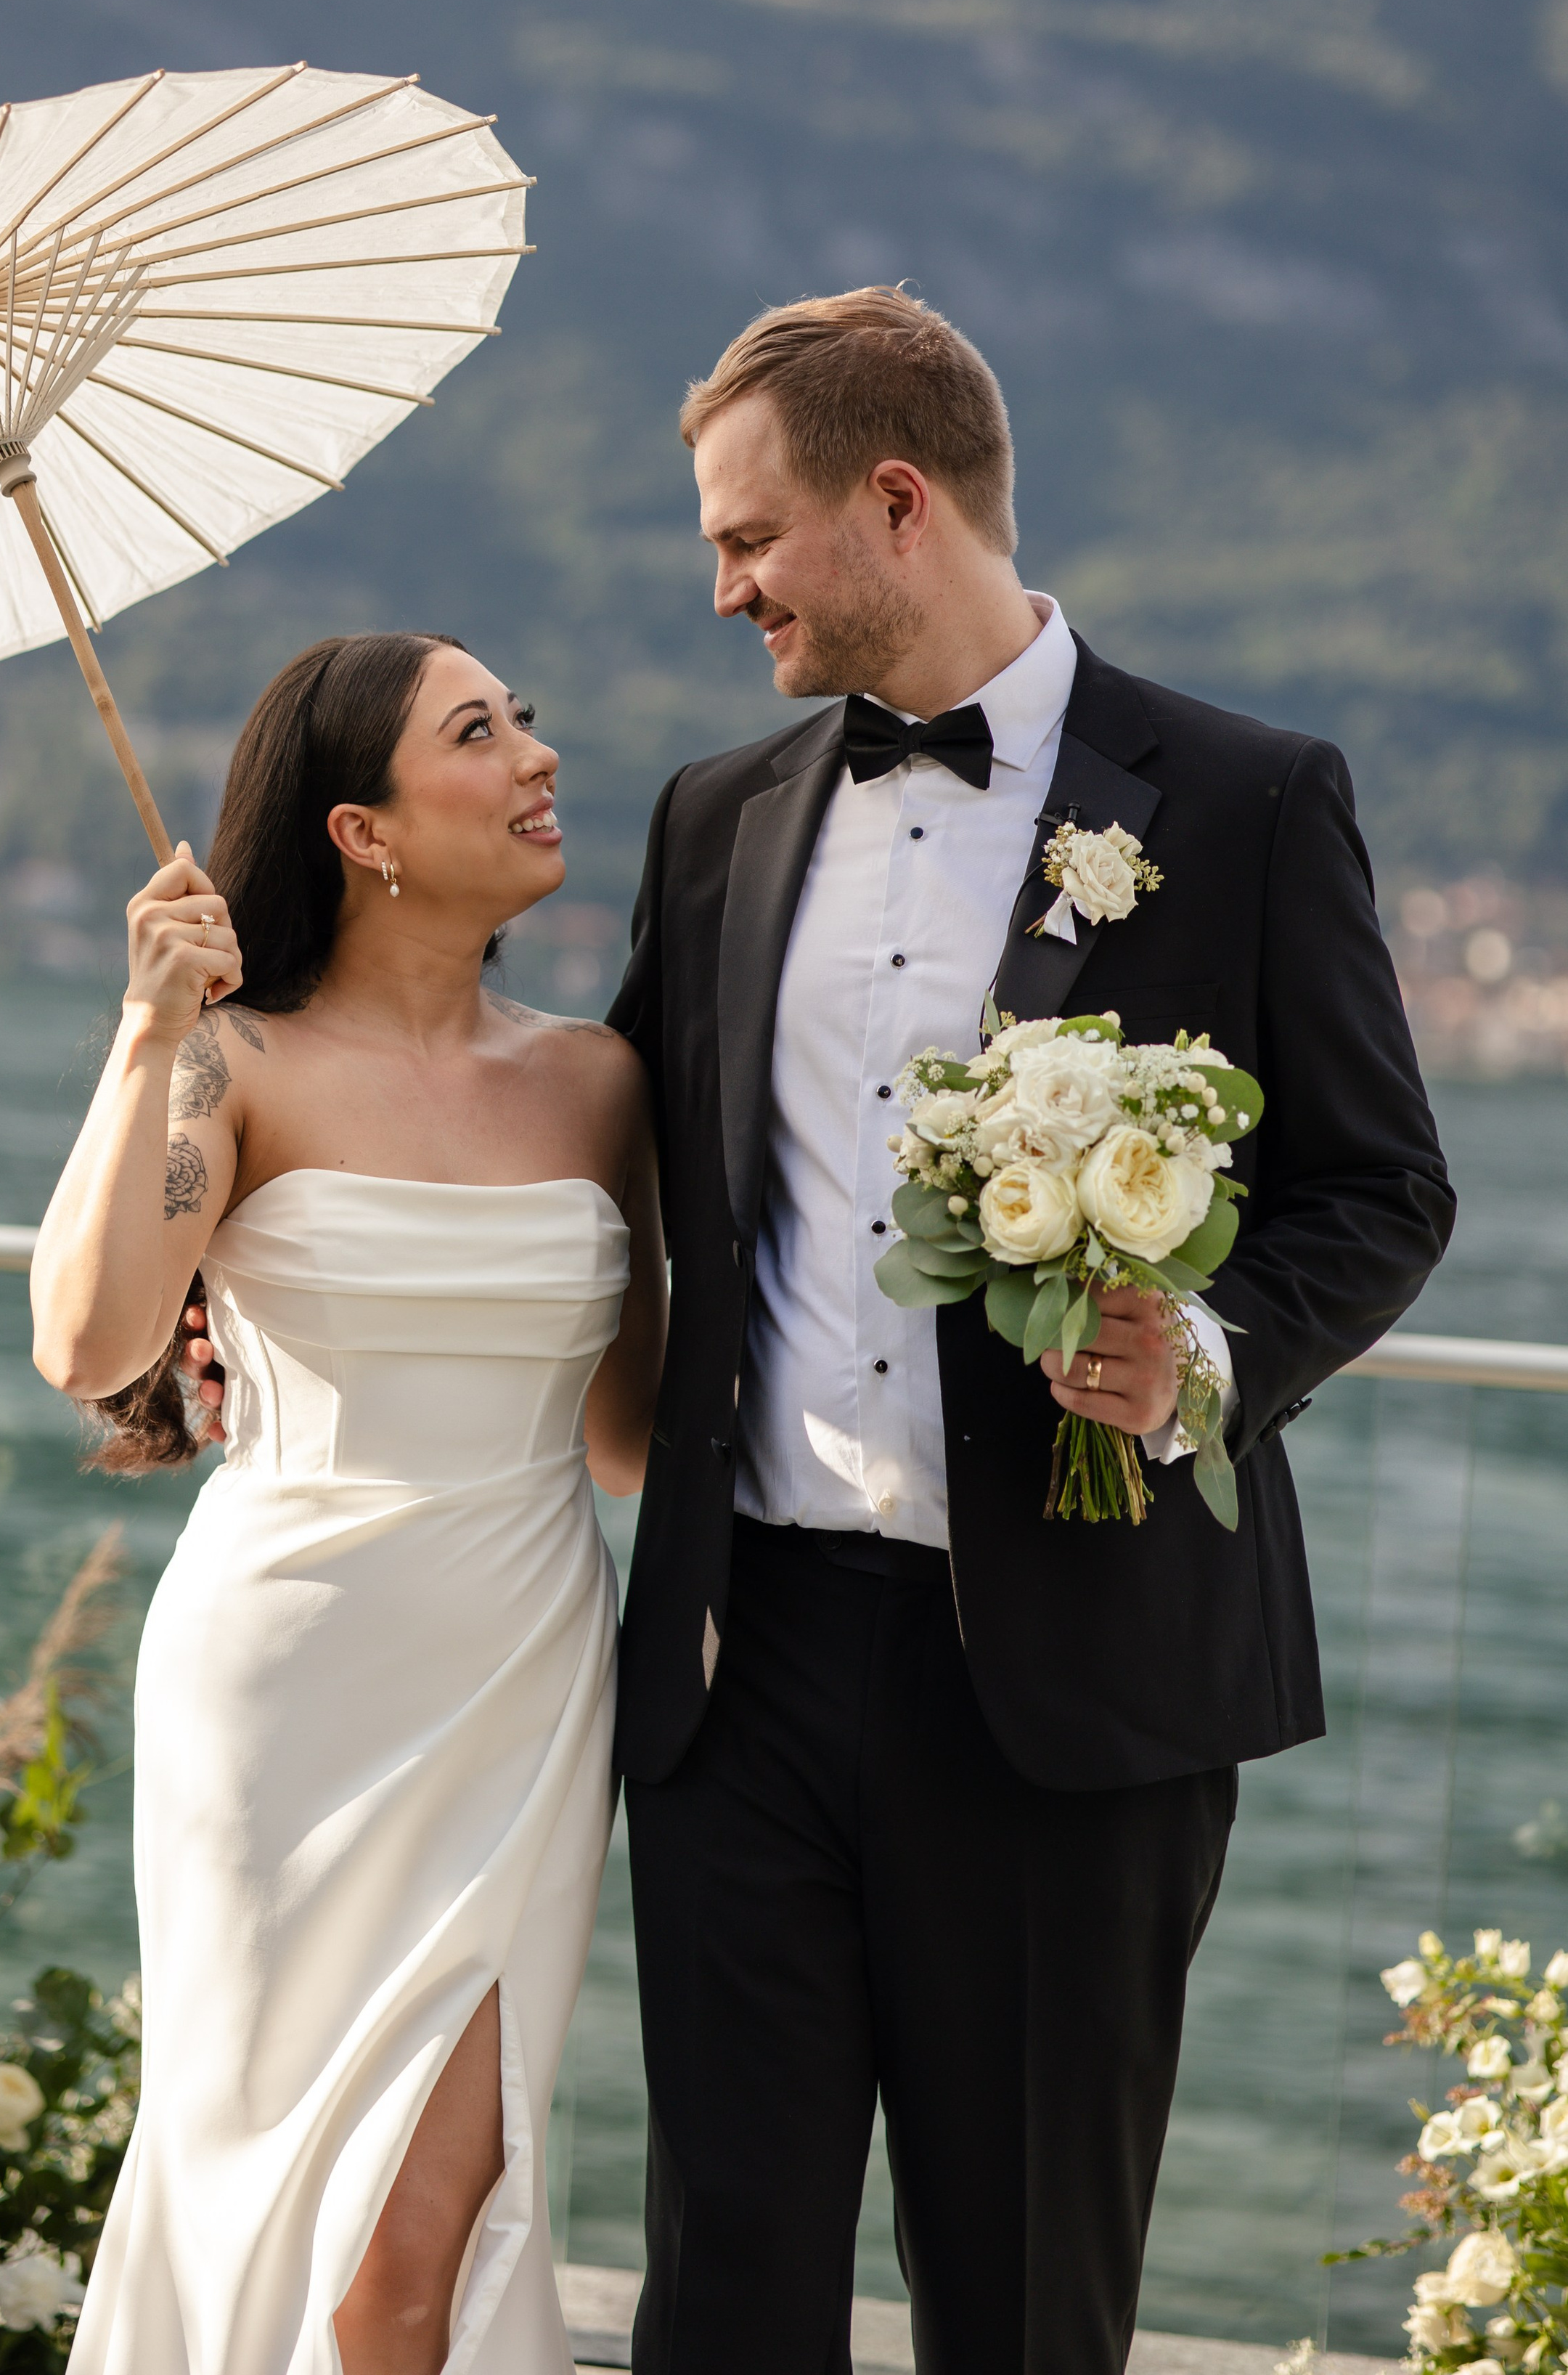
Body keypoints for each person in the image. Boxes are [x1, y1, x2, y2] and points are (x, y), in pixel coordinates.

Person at [603, 287, 1455, 2375]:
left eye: (748, 539)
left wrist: (1209, 1354)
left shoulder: (1250, 800)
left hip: (1081, 1685)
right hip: (745, 1670)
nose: (724, 592)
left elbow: (1383, 1192)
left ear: (896, 502)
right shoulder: (713, 816)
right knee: (724, 2308)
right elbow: (601, 1162)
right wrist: (252, 1283)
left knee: (1024, 2313)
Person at [30, 630, 663, 2375]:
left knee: (424, 2238)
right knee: (270, 2192)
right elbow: (86, 1341)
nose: (536, 754)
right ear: (363, 829)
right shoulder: (233, 1065)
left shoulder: (602, 1087)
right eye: (478, 730)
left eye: (526, 716)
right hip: (285, 1691)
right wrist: (152, 1025)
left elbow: (630, 1439)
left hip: (522, 1688)